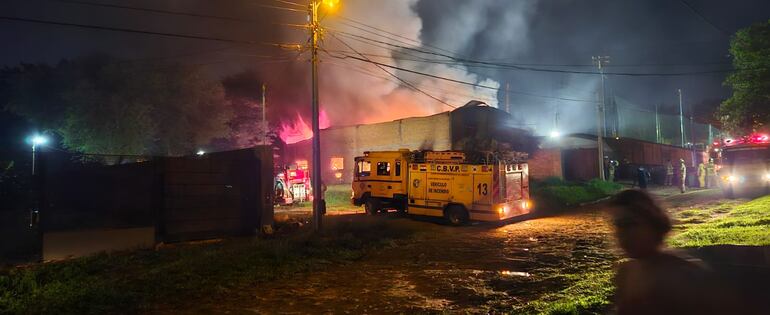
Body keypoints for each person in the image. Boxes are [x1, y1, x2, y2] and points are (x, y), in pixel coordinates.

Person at [609, 190, 718, 315]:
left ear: (654, 224)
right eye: (617, 225)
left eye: (629, 224)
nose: (620, 233)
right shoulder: (625, 273)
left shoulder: (683, 275)